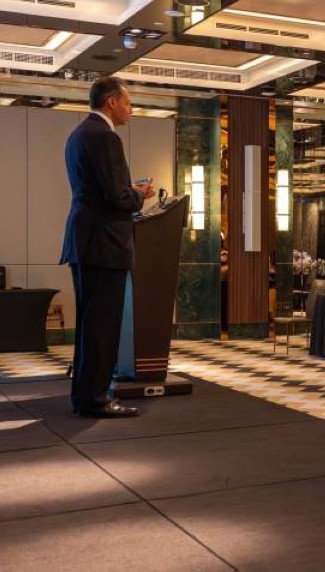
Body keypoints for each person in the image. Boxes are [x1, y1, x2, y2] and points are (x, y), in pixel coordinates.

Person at [60, 76, 156, 418]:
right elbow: (116, 197)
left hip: (84, 242)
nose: (131, 109)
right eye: (127, 103)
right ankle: (97, 400)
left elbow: (99, 190)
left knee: (90, 326)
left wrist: (127, 192)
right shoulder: (105, 137)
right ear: (111, 102)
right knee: (102, 326)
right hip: (104, 245)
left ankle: (84, 396)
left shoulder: (78, 135)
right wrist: (138, 195)